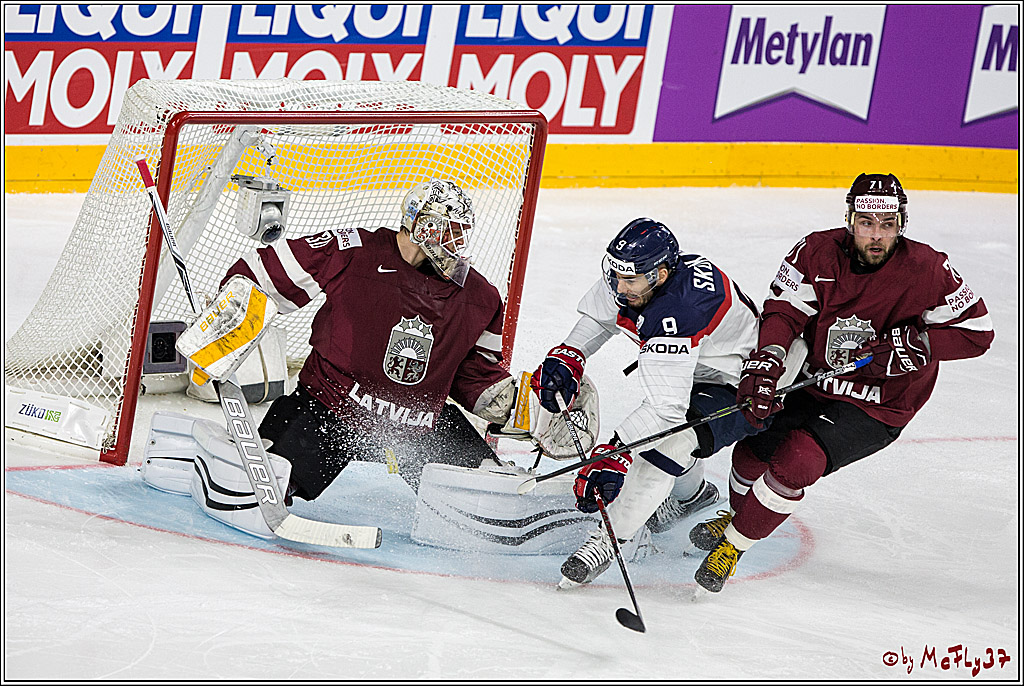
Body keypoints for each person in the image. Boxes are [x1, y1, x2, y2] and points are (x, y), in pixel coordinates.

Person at [690, 173, 995, 593]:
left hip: (879, 402)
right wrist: (766, 363)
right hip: (813, 381)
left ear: (900, 224)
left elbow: (979, 333)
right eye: (867, 222)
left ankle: (735, 545)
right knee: (751, 449)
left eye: (887, 224)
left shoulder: (928, 269)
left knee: (798, 459)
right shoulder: (816, 251)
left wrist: (919, 342)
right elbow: (783, 312)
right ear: (850, 219)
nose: (876, 235)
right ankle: (739, 516)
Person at [532, 218, 805, 587]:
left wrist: (615, 452)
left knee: (671, 444)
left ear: (660, 275)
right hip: (700, 366)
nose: (618, 287)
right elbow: (602, 316)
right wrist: (571, 353)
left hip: (745, 386)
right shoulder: (637, 278)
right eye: (615, 276)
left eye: (629, 281)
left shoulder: (680, 308)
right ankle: (693, 497)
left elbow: (667, 410)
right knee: (660, 426)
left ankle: (607, 541)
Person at [219, 178, 530, 500]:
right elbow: (260, 275)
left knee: (489, 501)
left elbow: (473, 375)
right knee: (257, 491)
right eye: (449, 230)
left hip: (419, 425)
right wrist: (228, 314)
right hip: (330, 408)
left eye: (461, 232)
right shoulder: (353, 251)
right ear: (421, 225)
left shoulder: (481, 297)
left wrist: (523, 407)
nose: (457, 241)